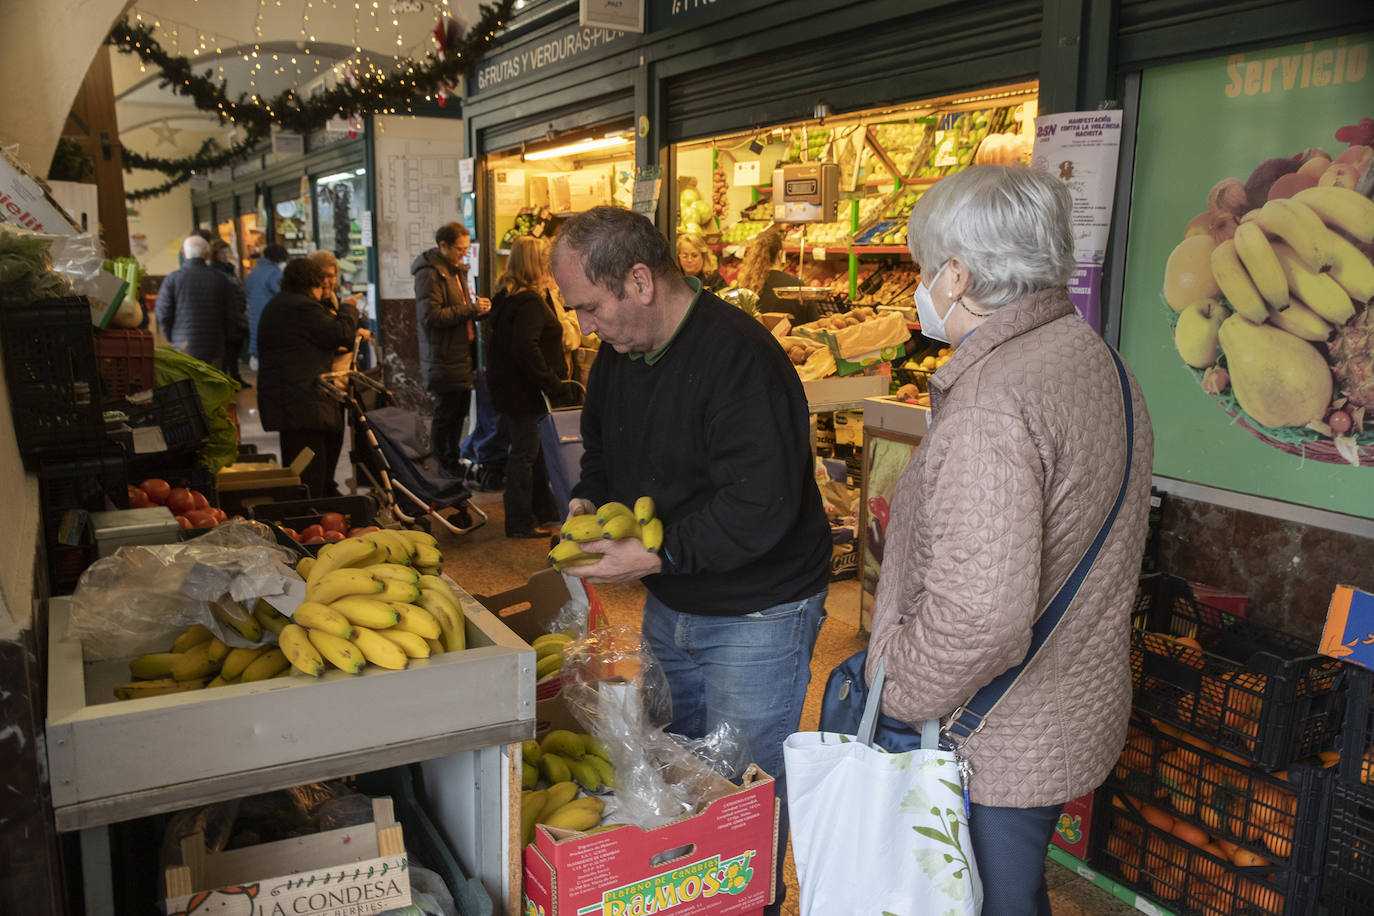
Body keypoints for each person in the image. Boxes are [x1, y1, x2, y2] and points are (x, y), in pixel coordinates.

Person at [865, 165, 1154, 916]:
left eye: (927, 268)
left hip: (993, 734)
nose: (924, 287)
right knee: (1011, 894)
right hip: (1065, 706)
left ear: (958, 275)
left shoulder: (992, 402)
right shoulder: (1097, 360)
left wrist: (896, 692)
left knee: (982, 898)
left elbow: (980, 616)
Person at [549, 206, 832, 916]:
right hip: (673, 600)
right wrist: (588, 501)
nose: (583, 327)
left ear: (639, 281)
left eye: (588, 307)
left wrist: (655, 552)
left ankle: (753, 904)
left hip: (759, 612)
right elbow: (606, 456)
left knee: (742, 795)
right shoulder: (617, 361)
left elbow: (758, 505)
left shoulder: (741, 360)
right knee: (675, 772)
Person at [256, 258, 361, 500]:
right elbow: (341, 333)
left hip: (293, 400)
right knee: (308, 474)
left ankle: (318, 506)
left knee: (311, 468)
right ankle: (310, 516)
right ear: (313, 282)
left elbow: (306, 343)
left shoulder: (283, 304)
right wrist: (347, 308)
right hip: (301, 402)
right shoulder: (301, 307)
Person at [486, 236, 569, 538]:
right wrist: (550, 381)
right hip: (528, 391)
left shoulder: (508, 296)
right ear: (535, 263)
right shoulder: (530, 302)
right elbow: (526, 347)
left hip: (513, 389)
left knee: (533, 453)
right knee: (525, 454)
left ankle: (544, 511)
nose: (550, 263)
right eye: (545, 258)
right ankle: (520, 521)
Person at [412, 222, 491, 474]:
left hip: (461, 354)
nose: (464, 254)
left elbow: (460, 310)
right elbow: (431, 316)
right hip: (443, 355)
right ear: (443, 246)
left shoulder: (456, 271)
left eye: (467, 249)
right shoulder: (430, 273)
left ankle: (452, 460)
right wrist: (470, 309)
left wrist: (478, 310)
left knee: (458, 413)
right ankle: (441, 465)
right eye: (460, 249)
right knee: (446, 414)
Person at [156, 235, 236, 365]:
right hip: (214, 343)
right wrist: (226, 336)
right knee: (213, 381)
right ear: (207, 254)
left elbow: (163, 312)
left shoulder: (173, 279)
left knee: (188, 383)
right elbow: (230, 313)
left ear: (183, 253)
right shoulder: (220, 279)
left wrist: (171, 335)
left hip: (183, 344)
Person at [736, 225, 820, 322]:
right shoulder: (795, 285)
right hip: (789, 337)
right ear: (780, 254)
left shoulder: (745, 285)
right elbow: (813, 322)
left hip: (755, 337)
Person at [210, 239, 250, 386]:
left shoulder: (230, 269)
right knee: (227, 349)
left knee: (235, 347)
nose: (226, 255)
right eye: (223, 252)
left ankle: (235, 377)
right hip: (226, 316)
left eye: (227, 251)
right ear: (216, 254)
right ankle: (227, 379)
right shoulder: (216, 271)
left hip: (236, 313)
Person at [246, 243, 287, 368]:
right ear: (280, 259)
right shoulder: (274, 273)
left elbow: (248, 293)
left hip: (254, 317)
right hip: (270, 318)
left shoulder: (254, 272)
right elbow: (282, 294)